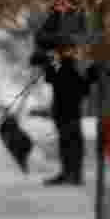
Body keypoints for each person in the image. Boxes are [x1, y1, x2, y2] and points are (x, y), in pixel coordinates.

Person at [29, 45, 98, 186]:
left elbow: (51, 68)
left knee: (71, 137)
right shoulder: (59, 55)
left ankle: (73, 174)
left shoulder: (64, 55)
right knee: (68, 137)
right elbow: (45, 64)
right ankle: (70, 173)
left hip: (69, 101)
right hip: (64, 100)